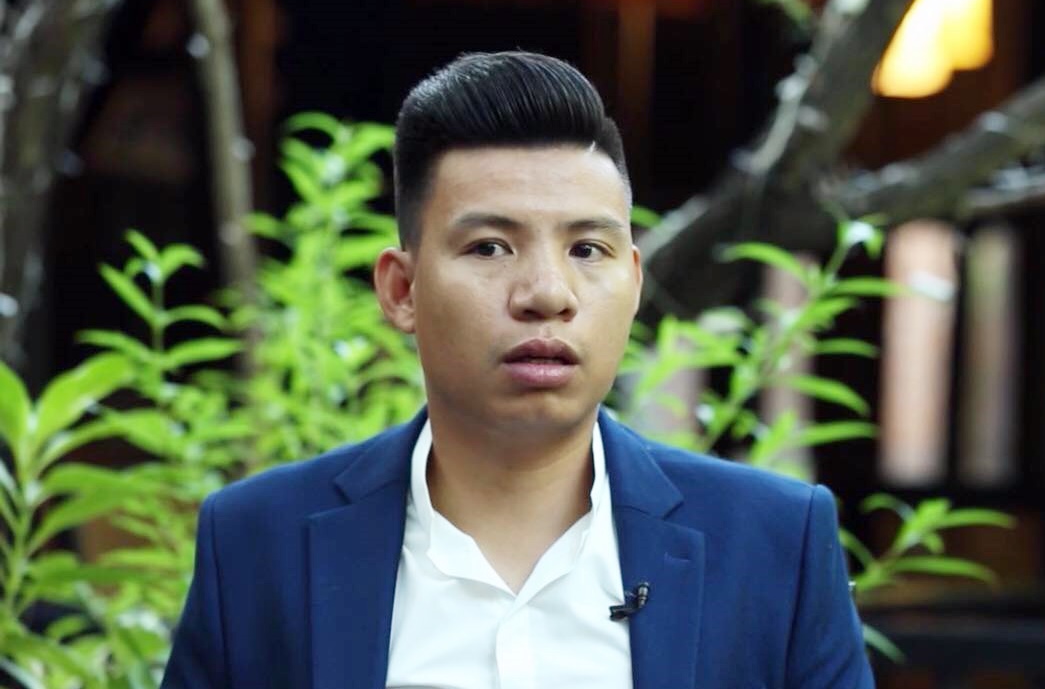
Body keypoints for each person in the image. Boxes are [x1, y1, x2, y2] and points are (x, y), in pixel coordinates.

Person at [161, 51, 874, 689]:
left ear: (632, 284)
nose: (547, 294)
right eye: (490, 248)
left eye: (587, 250)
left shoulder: (773, 545)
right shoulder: (258, 543)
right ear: (402, 291)